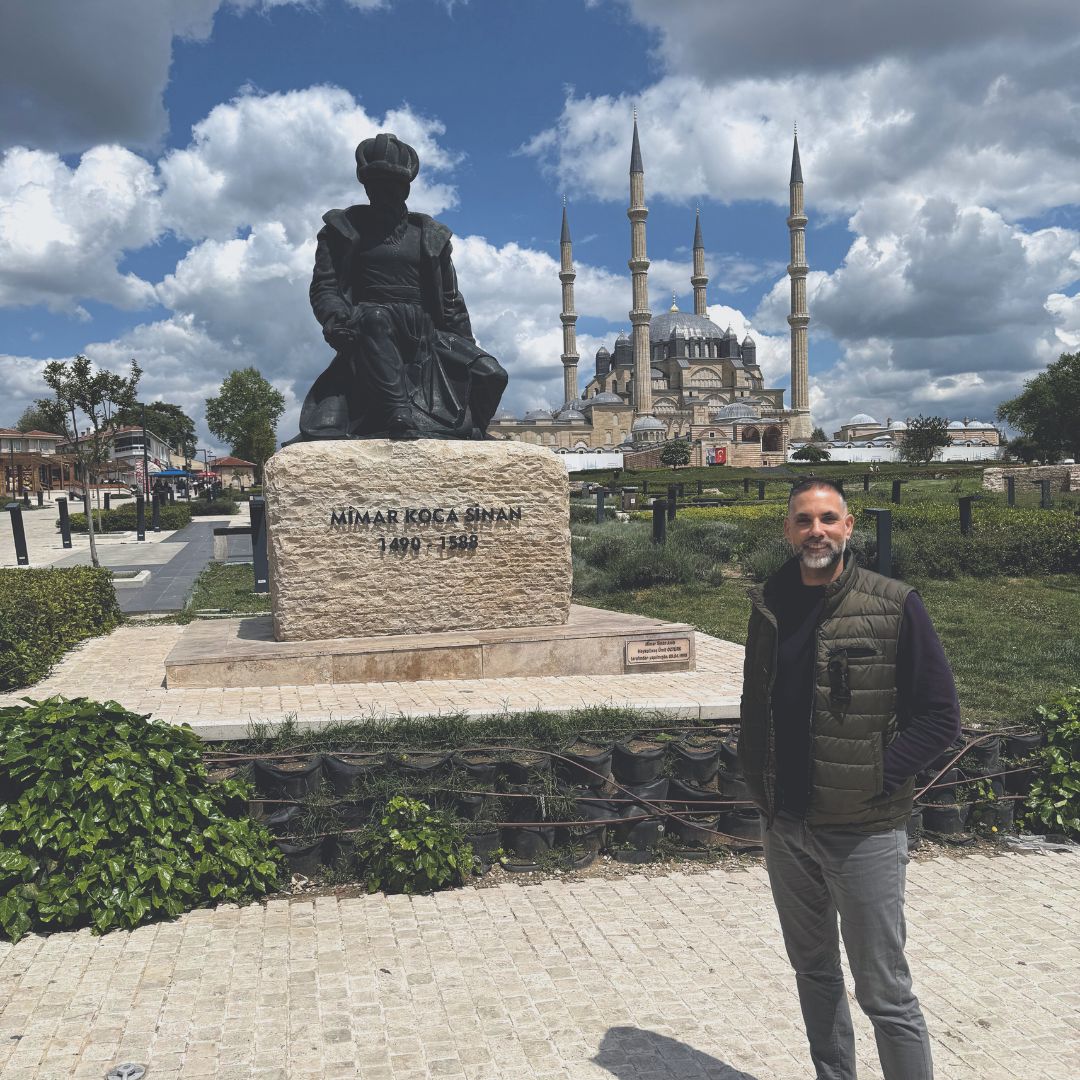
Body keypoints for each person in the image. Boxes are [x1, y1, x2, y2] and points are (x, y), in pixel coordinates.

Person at [738, 477, 960, 1080]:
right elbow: (760, 701)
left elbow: (940, 717)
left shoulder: (893, 604)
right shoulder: (770, 605)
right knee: (814, 973)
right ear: (788, 531)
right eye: (804, 520)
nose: (817, 531)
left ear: (848, 525)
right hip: (785, 826)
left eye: (828, 519)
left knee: (884, 992)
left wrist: (878, 776)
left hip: (862, 828)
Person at [298, 132, 507, 441]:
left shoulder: (430, 237)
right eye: (376, 184)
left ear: (406, 187)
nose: (384, 193)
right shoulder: (342, 231)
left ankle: (470, 430)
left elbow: (451, 300)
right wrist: (336, 317)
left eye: (392, 184)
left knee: (492, 374)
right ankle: (397, 413)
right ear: (366, 187)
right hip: (371, 324)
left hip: (426, 331)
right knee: (375, 318)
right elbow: (325, 286)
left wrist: (466, 345)